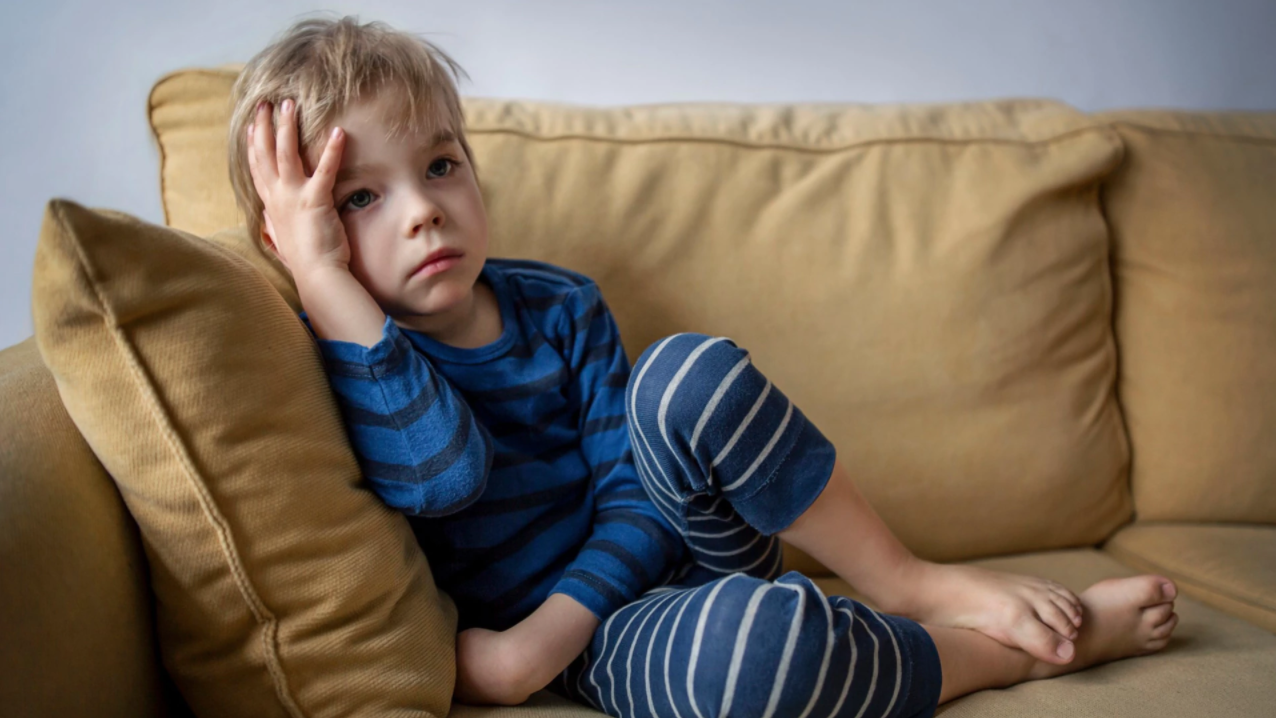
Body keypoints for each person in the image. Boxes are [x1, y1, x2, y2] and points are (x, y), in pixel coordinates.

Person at [228, 15, 1180, 718]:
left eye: (441, 166)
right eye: (358, 197)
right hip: (618, 646)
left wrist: (528, 650)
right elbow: (440, 473)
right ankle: (998, 657)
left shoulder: (559, 305)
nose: (423, 211)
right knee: (754, 657)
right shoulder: (345, 362)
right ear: (299, 238)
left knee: (687, 372)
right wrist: (323, 283)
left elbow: (638, 498)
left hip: (672, 546)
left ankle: (909, 581)